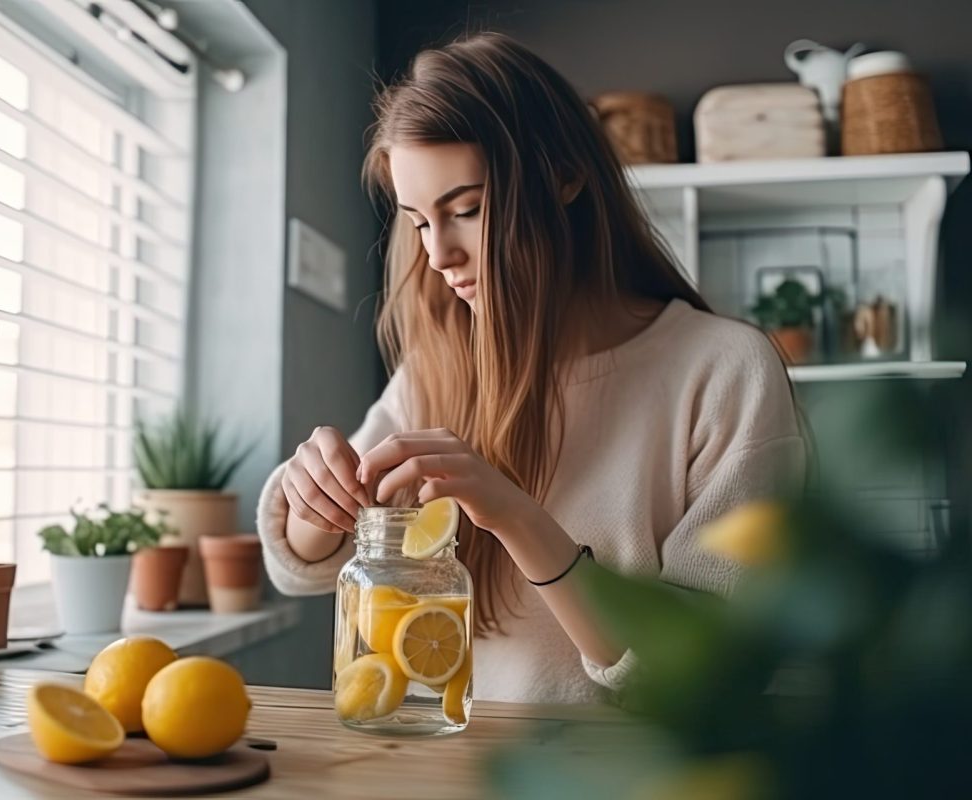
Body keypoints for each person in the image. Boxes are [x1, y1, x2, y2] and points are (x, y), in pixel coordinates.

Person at [256, 32, 805, 704]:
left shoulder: (724, 372)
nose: (439, 255)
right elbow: (306, 564)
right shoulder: (442, 366)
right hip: (452, 764)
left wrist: (518, 517)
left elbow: (707, 675)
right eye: (419, 222)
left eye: (467, 210)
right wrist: (317, 497)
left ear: (565, 176)